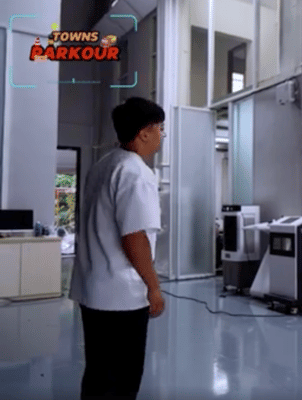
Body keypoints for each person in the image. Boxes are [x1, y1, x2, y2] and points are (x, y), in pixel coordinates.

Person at [69, 97, 167, 399]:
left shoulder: (103, 165)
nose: (162, 134)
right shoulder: (137, 174)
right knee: (122, 378)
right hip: (122, 297)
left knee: (98, 371)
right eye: (160, 128)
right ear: (144, 133)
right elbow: (134, 238)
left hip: (92, 289)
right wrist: (153, 287)